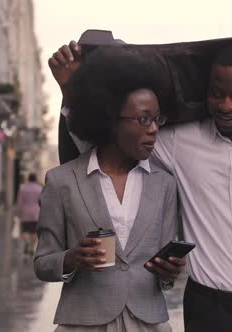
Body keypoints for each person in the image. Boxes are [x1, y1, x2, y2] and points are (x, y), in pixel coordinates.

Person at [52, 27, 232, 332]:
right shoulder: (179, 142)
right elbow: (106, 150)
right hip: (208, 310)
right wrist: (71, 92)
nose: (225, 105)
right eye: (217, 93)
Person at [34, 47, 185, 331]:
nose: (154, 129)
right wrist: (71, 258)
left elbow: (166, 270)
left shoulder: (164, 184)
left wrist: (170, 272)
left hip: (148, 323)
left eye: (157, 119)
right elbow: (42, 263)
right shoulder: (62, 181)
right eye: (143, 119)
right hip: (83, 323)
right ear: (109, 119)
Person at [14, 173, 42, 256]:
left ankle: (26, 242)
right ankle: (31, 247)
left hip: (25, 213)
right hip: (36, 214)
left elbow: (19, 202)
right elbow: (42, 202)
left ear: (28, 179)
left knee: (25, 231)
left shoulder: (23, 188)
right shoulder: (39, 189)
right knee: (34, 232)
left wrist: (18, 213)